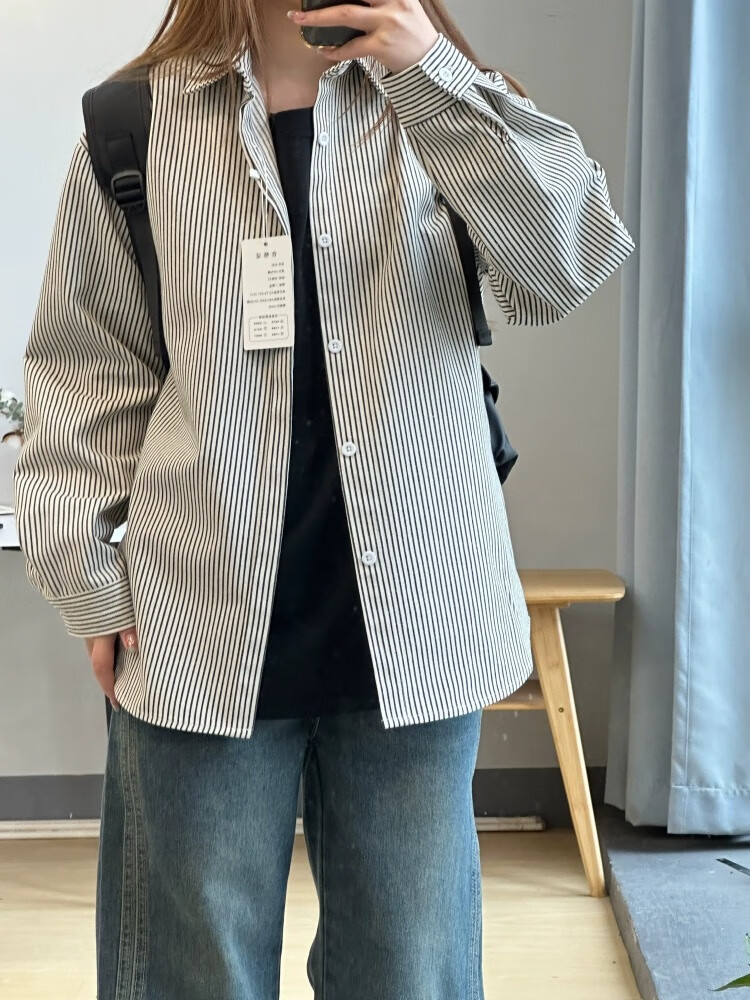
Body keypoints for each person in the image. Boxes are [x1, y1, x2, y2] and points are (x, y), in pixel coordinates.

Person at [13, 1, 635, 997]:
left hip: (419, 621)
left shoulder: (444, 100)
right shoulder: (131, 122)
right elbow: (86, 371)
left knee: (410, 977)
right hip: (197, 620)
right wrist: (90, 577)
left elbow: (566, 266)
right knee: (190, 976)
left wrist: (429, 74)